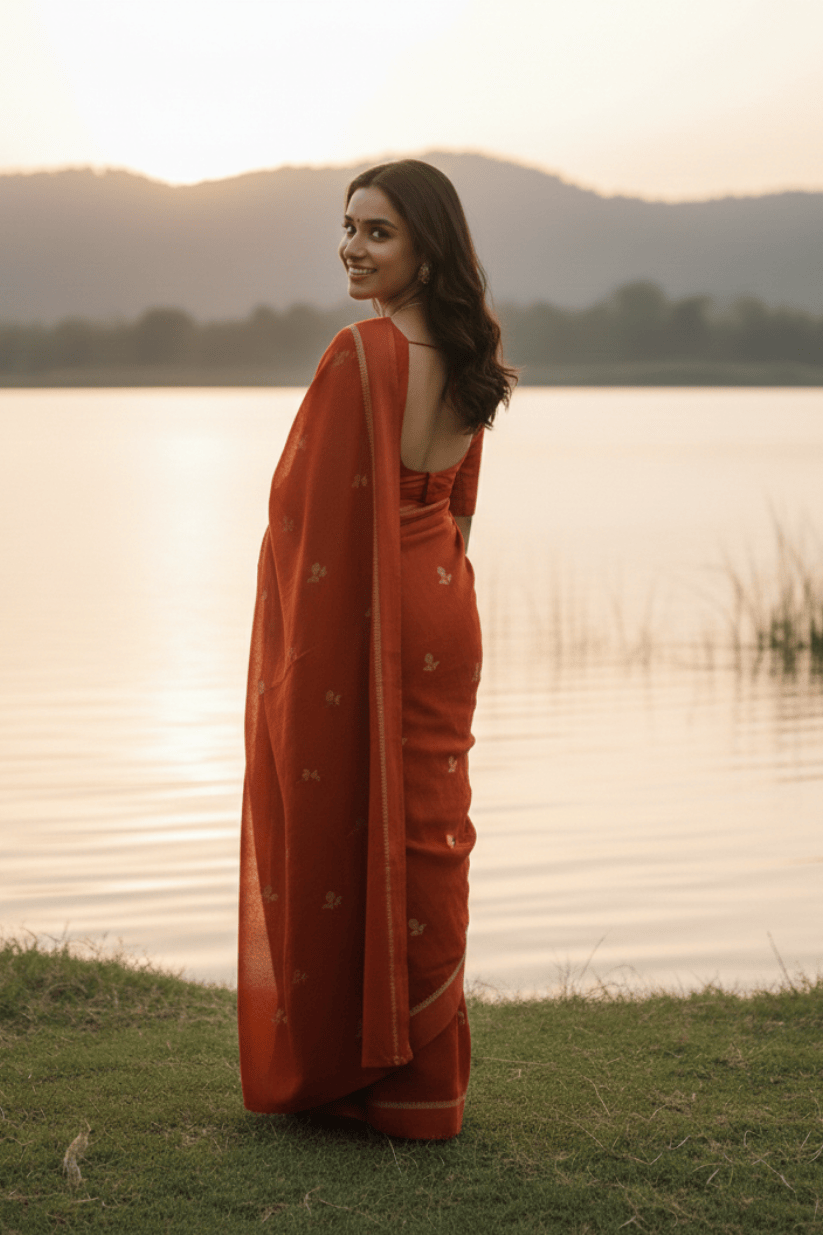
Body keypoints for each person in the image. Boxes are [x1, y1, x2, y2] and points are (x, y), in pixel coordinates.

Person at [238, 159, 515, 1140]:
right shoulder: (470, 349)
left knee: (347, 808)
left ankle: (357, 1067)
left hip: (376, 613)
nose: (353, 247)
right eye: (348, 227)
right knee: (429, 826)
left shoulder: (362, 353)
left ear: (426, 245)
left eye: (378, 231)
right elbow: (459, 511)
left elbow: (298, 518)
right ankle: (419, 1079)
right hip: (446, 599)